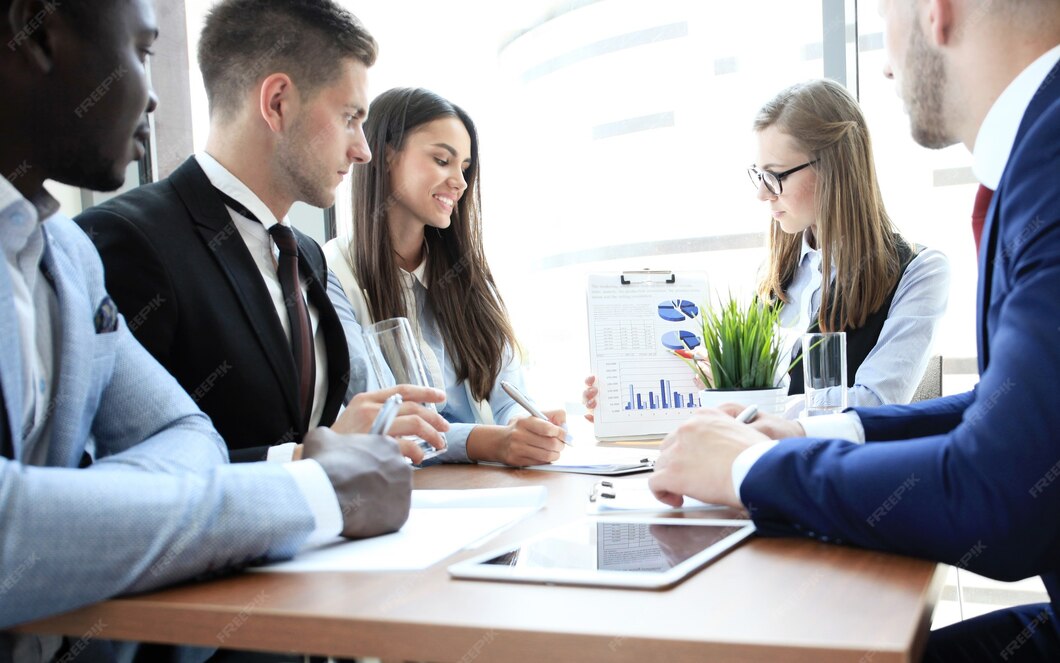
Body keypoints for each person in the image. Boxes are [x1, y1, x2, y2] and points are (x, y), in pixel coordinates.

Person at [648, 0, 1060, 659]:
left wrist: (754, 466)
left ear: (936, 12)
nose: (887, 68)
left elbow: (1002, 493)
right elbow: (1001, 415)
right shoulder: (1037, 156)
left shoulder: (1045, 169)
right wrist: (805, 430)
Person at [0, 0, 411, 653]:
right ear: (39, 32)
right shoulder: (117, 236)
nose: (154, 97)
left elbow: (188, 432)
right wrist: (305, 482)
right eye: (140, 50)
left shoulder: (65, 253)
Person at [75, 0, 447, 464]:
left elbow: (321, 432)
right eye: (350, 118)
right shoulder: (125, 239)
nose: (363, 151)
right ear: (277, 104)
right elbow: (116, 477)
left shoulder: (308, 255)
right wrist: (304, 461)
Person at [583, 79, 950, 420]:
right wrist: (626, 399)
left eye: (775, 175)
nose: (762, 193)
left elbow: (874, 405)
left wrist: (747, 404)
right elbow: (733, 399)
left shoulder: (919, 271)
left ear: (835, 168)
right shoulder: (775, 277)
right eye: (759, 174)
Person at [324, 88, 568, 467]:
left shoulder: (466, 274)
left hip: (493, 487)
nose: (460, 182)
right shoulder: (333, 274)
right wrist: (494, 443)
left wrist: (524, 427)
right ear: (386, 155)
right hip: (407, 498)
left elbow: (507, 394)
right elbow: (385, 420)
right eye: (442, 160)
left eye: (465, 168)